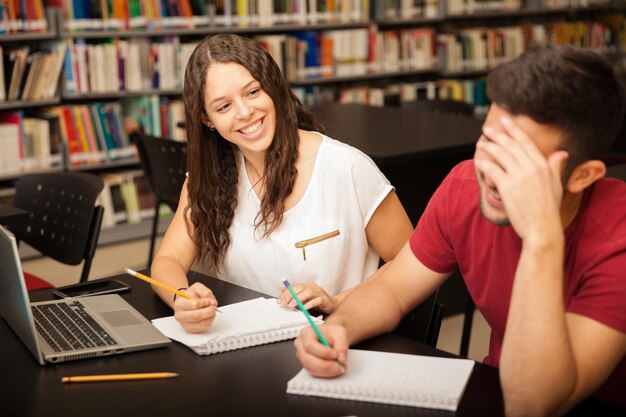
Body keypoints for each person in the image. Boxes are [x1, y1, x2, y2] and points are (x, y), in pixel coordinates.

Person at [294, 45, 626, 416]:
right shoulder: (466, 185)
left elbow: (534, 404)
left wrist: (541, 238)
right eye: (489, 142)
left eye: (520, 161)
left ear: (583, 175)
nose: (489, 171)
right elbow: (392, 289)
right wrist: (340, 328)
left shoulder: (618, 238)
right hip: (497, 388)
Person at [150, 34, 412, 333]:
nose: (244, 112)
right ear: (207, 120)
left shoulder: (346, 167)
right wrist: (181, 297)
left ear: (272, 86)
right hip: (244, 348)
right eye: (223, 107)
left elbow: (408, 266)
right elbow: (168, 259)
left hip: (337, 342)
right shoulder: (208, 179)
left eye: (252, 92)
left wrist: (338, 302)